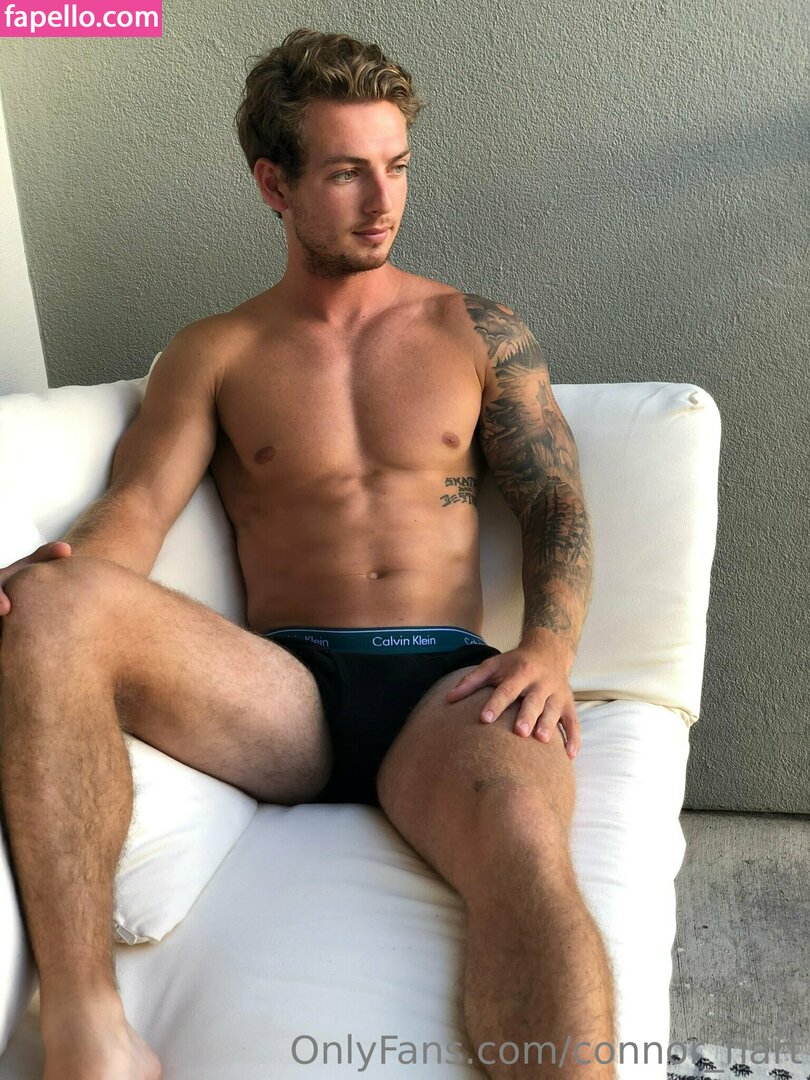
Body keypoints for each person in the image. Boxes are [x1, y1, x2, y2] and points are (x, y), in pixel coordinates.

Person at [0, 28, 616, 1080]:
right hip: (282, 695)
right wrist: (55, 575)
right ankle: (88, 1027)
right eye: (345, 174)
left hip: (447, 688)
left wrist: (550, 650)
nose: (382, 201)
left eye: (396, 167)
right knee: (54, 608)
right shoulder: (216, 350)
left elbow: (553, 498)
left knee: (524, 844)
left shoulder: (475, 330)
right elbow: (136, 509)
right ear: (273, 185)